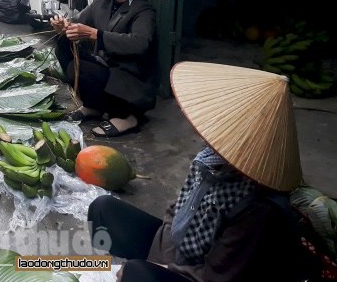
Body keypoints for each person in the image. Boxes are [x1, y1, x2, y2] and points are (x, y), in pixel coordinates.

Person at [88, 61, 308, 282]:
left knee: (137, 274)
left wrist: (161, 269)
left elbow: (216, 277)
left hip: (202, 275)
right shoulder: (209, 160)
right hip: (178, 249)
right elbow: (177, 210)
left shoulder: (257, 209)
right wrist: (158, 260)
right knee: (103, 209)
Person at [50, 0, 164, 137]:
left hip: (130, 76)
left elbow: (140, 43)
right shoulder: (103, 1)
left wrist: (97, 35)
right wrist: (64, 26)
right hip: (108, 68)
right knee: (63, 45)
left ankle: (128, 116)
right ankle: (94, 106)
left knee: (85, 70)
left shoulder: (143, 10)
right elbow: (78, 22)